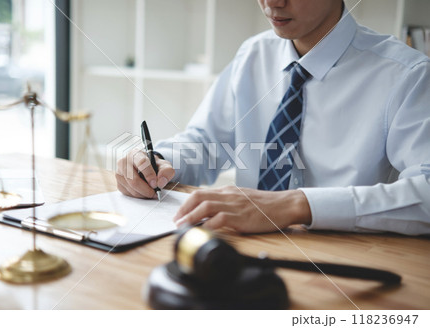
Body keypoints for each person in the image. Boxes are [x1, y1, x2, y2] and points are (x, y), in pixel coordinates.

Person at [116, 0, 430, 236]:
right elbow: (206, 143)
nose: (272, 2)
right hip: (242, 250)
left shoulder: (407, 75)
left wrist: (294, 205)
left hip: (346, 265)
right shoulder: (253, 54)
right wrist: (156, 162)